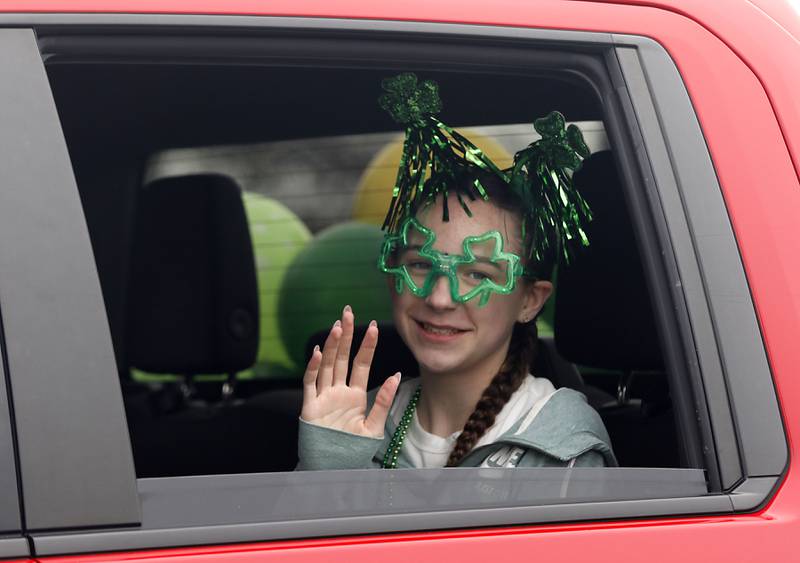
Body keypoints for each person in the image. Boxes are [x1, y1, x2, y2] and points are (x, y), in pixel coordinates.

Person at [295, 73, 616, 470]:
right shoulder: (349, 424)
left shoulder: (562, 449)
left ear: (530, 301)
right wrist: (327, 473)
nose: (440, 298)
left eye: (478, 274)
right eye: (420, 264)